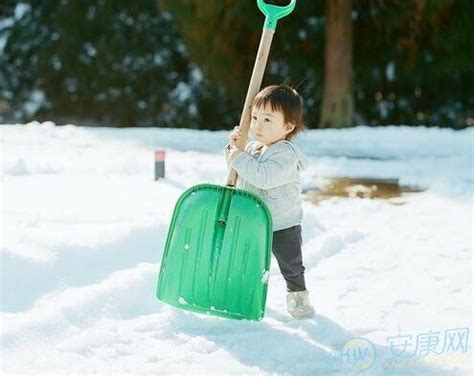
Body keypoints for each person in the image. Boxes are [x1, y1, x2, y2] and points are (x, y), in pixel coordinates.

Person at [224, 84, 315, 319]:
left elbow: (263, 177)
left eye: (267, 120)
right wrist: (234, 148)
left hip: (282, 224)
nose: (257, 125)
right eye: (254, 117)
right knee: (246, 260)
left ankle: (298, 298)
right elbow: (240, 171)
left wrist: (239, 158)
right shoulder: (253, 147)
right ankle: (243, 294)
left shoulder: (285, 153)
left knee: (291, 266)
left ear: (288, 126)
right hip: (255, 221)